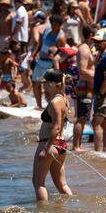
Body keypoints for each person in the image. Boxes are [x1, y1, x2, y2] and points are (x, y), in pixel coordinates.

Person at [32, 69, 72, 202]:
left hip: (50, 145)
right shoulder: (64, 98)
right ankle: (72, 206)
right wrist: (63, 80)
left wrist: (45, 149)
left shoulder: (55, 102)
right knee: (62, 184)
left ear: (53, 84)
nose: (44, 85)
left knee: (38, 182)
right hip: (61, 146)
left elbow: (56, 127)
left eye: (46, 83)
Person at [30, 13, 64, 109]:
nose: (53, 26)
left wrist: (55, 55)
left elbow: (62, 52)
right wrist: (34, 54)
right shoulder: (46, 31)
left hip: (50, 63)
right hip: (40, 60)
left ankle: (51, 107)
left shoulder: (61, 37)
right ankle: (39, 105)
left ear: (60, 25)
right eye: (52, 24)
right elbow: (40, 44)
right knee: (35, 83)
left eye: (56, 25)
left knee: (48, 87)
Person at [70, 25, 96, 150]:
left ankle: (78, 145)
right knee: (82, 117)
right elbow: (83, 71)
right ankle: (76, 146)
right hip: (85, 86)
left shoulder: (87, 48)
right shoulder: (84, 49)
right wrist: (98, 76)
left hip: (88, 86)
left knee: (84, 117)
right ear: (91, 35)